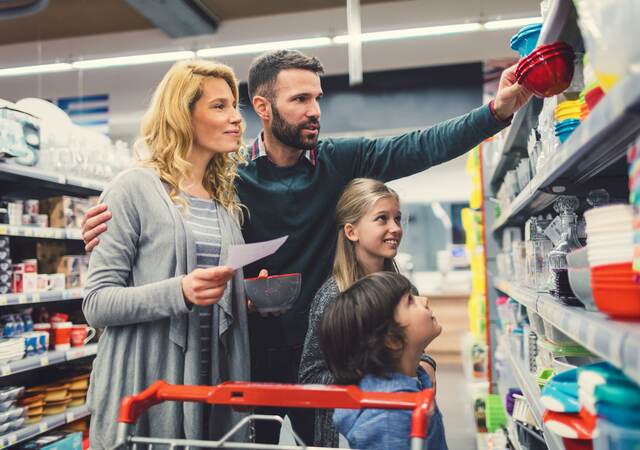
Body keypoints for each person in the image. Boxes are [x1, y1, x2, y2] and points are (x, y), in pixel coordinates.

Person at [82, 49, 531, 444]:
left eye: (318, 98)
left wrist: (495, 111)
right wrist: (109, 223)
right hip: (241, 349)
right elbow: (165, 203)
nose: (315, 110)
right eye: (300, 99)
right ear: (263, 106)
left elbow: (418, 147)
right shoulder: (226, 178)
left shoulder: (339, 161)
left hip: (323, 351)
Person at [82, 60, 251, 449]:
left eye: (234, 107)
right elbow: (96, 303)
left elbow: (211, 291)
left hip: (210, 387)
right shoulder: (133, 189)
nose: (235, 119)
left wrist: (243, 298)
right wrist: (180, 292)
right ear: (182, 114)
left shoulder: (223, 202)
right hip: (146, 383)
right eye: (219, 106)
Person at [299, 177, 437, 447]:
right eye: (382, 219)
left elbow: (411, 346)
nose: (395, 228)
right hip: (347, 434)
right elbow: (310, 376)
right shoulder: (333, 297)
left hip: (407, 419)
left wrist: (427, 363)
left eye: (398, 218)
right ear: (352, 232)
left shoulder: (405, 288)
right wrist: (374, 374)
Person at [320, 271, 447, 450]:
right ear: (392, 341)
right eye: (410, 301)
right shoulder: (389, 417)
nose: (424, 299)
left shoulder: (412, 379)